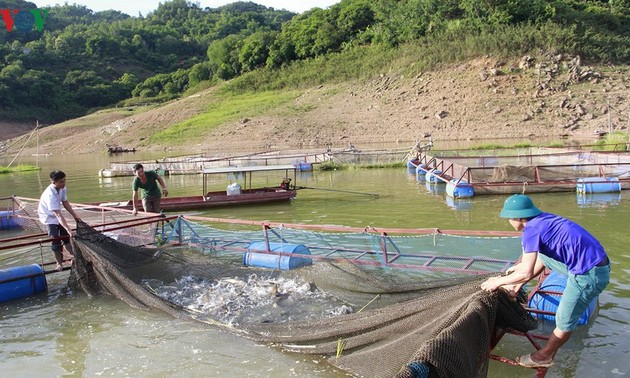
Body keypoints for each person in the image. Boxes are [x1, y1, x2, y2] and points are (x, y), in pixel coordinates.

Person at [481, 194, 610, 368]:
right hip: (593, 263)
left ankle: (544, 356)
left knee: (563, 319)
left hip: (588, 275)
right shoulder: (543, 219)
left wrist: (497, 282)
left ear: (518, 218)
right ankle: (515, 288)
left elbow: (526, 272)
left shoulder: (530, 230)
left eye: (509, 218)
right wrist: (515, 277)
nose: (509, 222)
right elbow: (539, 260)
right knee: (542, 255)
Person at [37, 170, 81, 271]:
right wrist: (69, 229)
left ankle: (73, 257)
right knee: (55, 239)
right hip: (48, 217)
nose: (64, 183)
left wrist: (75, 215)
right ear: (54, 182)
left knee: (66, 237)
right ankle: (59, 263)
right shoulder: (50, 194)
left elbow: (65, 202)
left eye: (64, 180)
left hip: (57, 215)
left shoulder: (62, 188)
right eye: (61, 182)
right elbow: (57, 214)